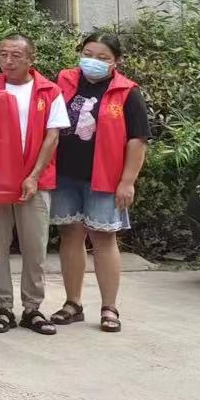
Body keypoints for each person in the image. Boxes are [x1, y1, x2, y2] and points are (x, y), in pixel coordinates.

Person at [48, 33, 149, 334]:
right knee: (70, 235)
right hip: (65, 174)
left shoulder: (127, 92)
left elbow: (138, 140)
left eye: (103, 57)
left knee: (104, 239)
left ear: (116, 61)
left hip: (105, 178)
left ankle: (109, 307)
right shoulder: (63, 81)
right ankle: (72, 303)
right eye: (88, 54)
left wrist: (127, 182)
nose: (94, 61)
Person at [0, 34, 69, 335]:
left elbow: (52, 136)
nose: (8, 61)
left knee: (35, 248)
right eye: (3, 54)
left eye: (16, 55)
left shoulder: (49, 91)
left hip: (35, 181)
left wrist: (33, 175)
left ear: (31, 59)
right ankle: (3, 307)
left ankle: (32, 308)